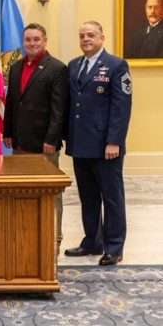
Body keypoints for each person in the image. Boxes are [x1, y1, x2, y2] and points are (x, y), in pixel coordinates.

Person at [64, 21, 132, 266]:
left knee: (111, 197)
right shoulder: (74, 66)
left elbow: (121, 108)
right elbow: (72, 106)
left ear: (102, 38)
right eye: (82, 36)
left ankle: (114, 247)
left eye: (90, 35)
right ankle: (92, 241)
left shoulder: (116, 65)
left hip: (106, 147)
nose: (85, 39)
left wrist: (114, 141)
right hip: (81, 143)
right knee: (88, 197)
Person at [3, 23, 69, 250]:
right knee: (22, 190)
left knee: (50, 193)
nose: (31, 43)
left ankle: (54, 239)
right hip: (19, 142)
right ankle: (26, 235)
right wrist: (8, 132)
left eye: (36, 39)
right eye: (28, 39)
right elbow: (12, 101)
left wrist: (52, 139)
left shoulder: (57, 68)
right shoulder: (16, 67)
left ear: (45, 41)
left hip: (44, 144)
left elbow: (59, 109)